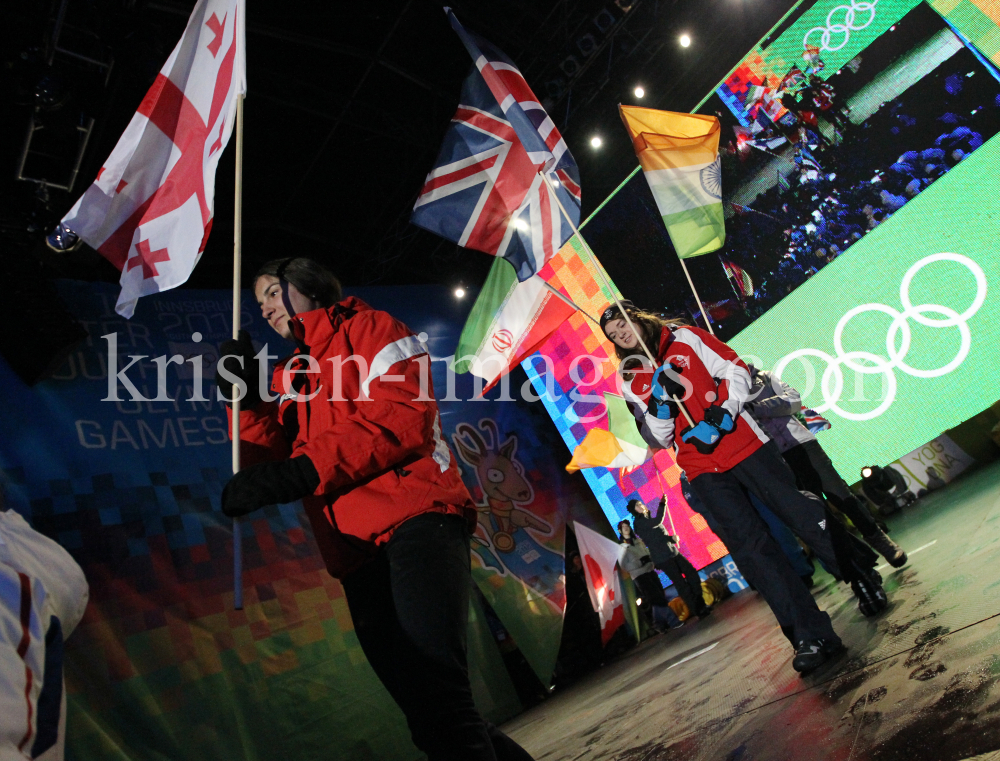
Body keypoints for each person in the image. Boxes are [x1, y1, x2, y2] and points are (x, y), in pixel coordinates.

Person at [216, 257, 534, 761]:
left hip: (416, 519)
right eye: (259, 304)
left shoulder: (372, 328)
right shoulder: (291, 373)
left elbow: (402, 416)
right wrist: (247, 401)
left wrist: (301, 471)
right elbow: (271, 455)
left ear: (307, 284)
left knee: (441, 702)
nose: (265, 309)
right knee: (428, 718)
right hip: (354, 550)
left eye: (273, 293)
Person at [601, 301, 887, 673]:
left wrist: (725, 409)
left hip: (744, 442)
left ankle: (859, 574)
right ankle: (808, 635)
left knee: (801, 514)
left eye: (622, 324)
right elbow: (657, 437)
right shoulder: (629, 376)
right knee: (751, 549)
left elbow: (734, 367)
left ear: (637, 316)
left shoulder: (683, 337)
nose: (621, 334)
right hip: (701, 465)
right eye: (613, 335)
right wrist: (659, 402)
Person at [745, 366, 907, 568]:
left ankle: (882, 543)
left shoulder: (765, 377)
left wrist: (758, 408)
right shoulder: (729, 394)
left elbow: (794, 400)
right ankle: (855, 562)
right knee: (817, 515)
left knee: (842, 496)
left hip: (803, 444)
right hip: (778, 459)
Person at [626, 497, 711, 619]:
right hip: (663, 559)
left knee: (691, 573)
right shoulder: (639, 523)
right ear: (634, 511)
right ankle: (698, 609)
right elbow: (657, 522)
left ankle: (699, 603)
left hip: (673, 553)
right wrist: (662, 504)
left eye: (641, 504)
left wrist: (671, 539)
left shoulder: (647, 519)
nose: (641, 506)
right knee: (681, 584)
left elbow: (659, 537)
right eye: (637, 506)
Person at [617, 520, 683, 634]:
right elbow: (624, 565)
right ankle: (673, 621)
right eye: (623, 527)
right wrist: (640, 562)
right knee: (656, 597)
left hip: (649, 570)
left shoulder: (638, 541)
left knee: (658, 596)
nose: (626, 528)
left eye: (627, 526)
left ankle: (658, 623)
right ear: (620, 530)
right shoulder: (621, 547)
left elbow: (647, 551)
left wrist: (651, 560)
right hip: (639, 575)